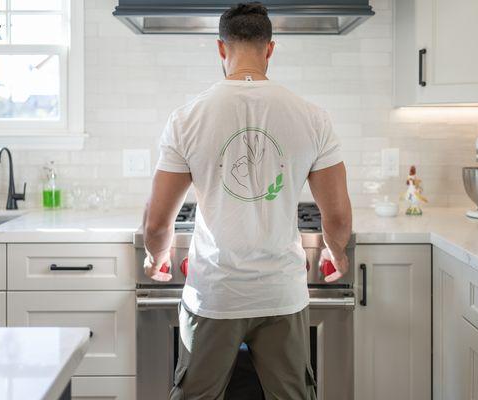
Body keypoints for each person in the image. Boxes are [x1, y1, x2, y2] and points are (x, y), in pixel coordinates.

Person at [142, 2, 352, 399]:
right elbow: (338, 217)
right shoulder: (313, 117)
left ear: (221, 49)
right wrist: (337, 254)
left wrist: (157, 258)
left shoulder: (187, 118)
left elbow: (156, 222)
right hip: (281, 294)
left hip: (213, 293)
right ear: (270, 49)